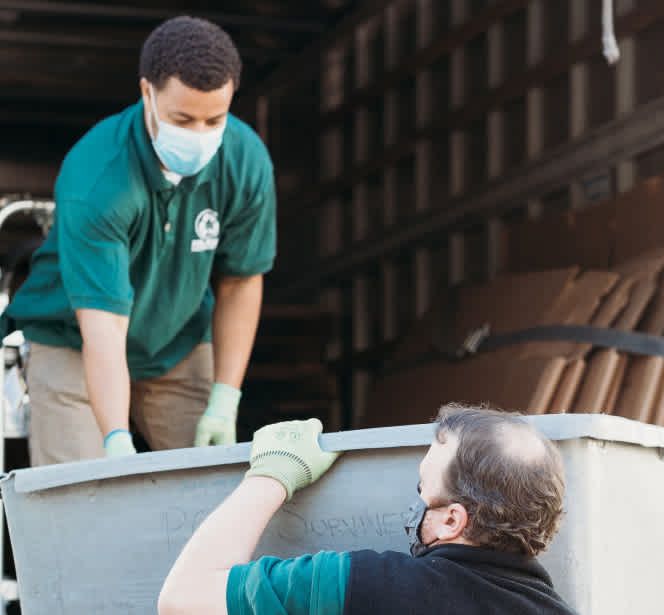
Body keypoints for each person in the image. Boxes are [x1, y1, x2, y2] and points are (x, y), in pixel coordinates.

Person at [4, 16, 276, 465]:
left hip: (178, 343)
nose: (199, 136)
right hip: (74, 340)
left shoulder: (244, 161)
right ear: (147, 92)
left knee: (211, 489)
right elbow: (105, 329)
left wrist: (225, 398)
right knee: (84, 497)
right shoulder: (98, 178)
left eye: (215, 119)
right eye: (182, 119)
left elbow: (240, 282)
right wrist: (115, 438)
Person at [158, 404, 579, 615]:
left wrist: (271, 476)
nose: (415, 504)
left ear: (452, 520)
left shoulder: (369, 586)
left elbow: (183, 599)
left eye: (422, 487)